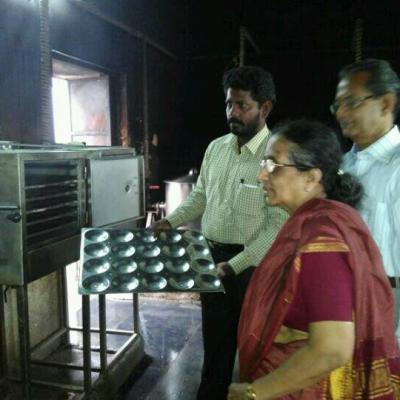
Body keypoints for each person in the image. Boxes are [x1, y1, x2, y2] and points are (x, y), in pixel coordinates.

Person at [228, 119, 400, 399]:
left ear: (311, 178)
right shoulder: (313, 225)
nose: (261, 175)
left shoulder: (322, 240)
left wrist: (252, 393)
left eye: (273, 165)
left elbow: (332, 349)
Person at [152, 66, 287, 399]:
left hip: (254, 268)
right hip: (213, 259)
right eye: (229, 105)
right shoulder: (216, 148)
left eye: (242, 106)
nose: (233, 113)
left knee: (256, 350)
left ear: (265, 108)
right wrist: (171, 220)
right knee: (215, 346)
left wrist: (236, 265)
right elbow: (200, 196)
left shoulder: (276, 155)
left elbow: (276, 225)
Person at [331, 59, 400, 339]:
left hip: (387, 306)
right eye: (338, 105)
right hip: (340, 303)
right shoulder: (341, 166)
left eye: (352, 102)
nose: (342, 113)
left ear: (385, 103)